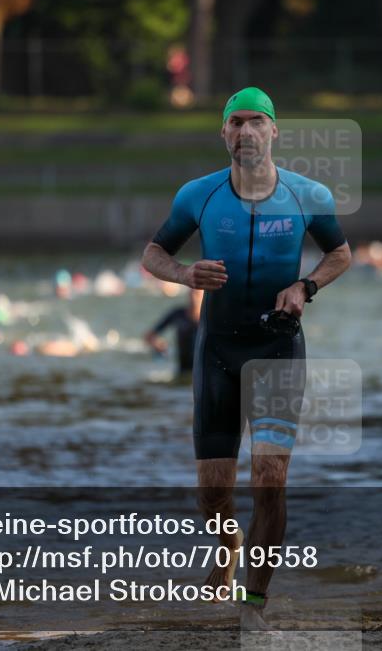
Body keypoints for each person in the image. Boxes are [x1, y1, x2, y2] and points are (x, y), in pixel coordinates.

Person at [141, 86, 352, 628]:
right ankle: (227, 543)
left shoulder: (308, 195)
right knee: (214, 491)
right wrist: (186, 274)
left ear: (274, 131)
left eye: (256, 122)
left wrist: (305, 287)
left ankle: (253, 603)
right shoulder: (199, 196)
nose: (246, 132)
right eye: (235, 123)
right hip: (218, 349)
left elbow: (340, 252)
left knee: (270, 478)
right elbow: (154, 253)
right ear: (223, 134)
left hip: (279, 346)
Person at [144, 288, 203, 376]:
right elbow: (149, 335)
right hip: (182, 370)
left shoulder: (209, 318)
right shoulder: (178, 314)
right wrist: (158, 344)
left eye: (197, 294)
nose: (193, 297)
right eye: (192, 293)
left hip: (203, 371)